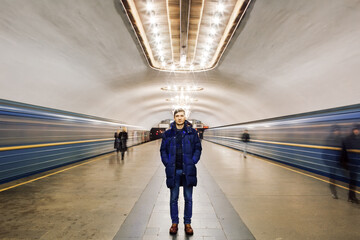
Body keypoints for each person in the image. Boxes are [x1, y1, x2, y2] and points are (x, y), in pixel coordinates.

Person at [160, 109, 202, 235]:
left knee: (188, 198)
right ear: (174, 118)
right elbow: (163, 150)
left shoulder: (192, 132)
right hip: (174, 171)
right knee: (174, 198)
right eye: (177, 116)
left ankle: (187, 223)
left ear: (185, 117)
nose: (179, 118)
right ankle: (174, 223)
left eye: (182, 116)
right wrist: (167, 163)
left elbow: (198, 148)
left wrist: (193, 161)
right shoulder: (168, 134)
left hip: (188, 170)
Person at [322, 125, 342, 199]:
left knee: (336, 177)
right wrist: (327, 162)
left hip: (339, 162)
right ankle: (333, 192)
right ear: (333, 131)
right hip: (332, 162)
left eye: (338, 130)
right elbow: (324, 152)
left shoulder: (341, 139)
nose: (337, 131)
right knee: (333, 177)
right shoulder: (328, 139)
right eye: (335, 130)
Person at [341, 124, 360, 204]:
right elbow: (344, 152)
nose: (357, 131)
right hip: (351, 163)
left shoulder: (358, 139)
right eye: (356, 129)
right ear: (353, 130)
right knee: (353, 181)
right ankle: (352, 197)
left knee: (353, 181)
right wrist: (345, 163)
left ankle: (351, 197)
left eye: (358, 130)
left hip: (357, 163)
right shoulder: (347, 139)